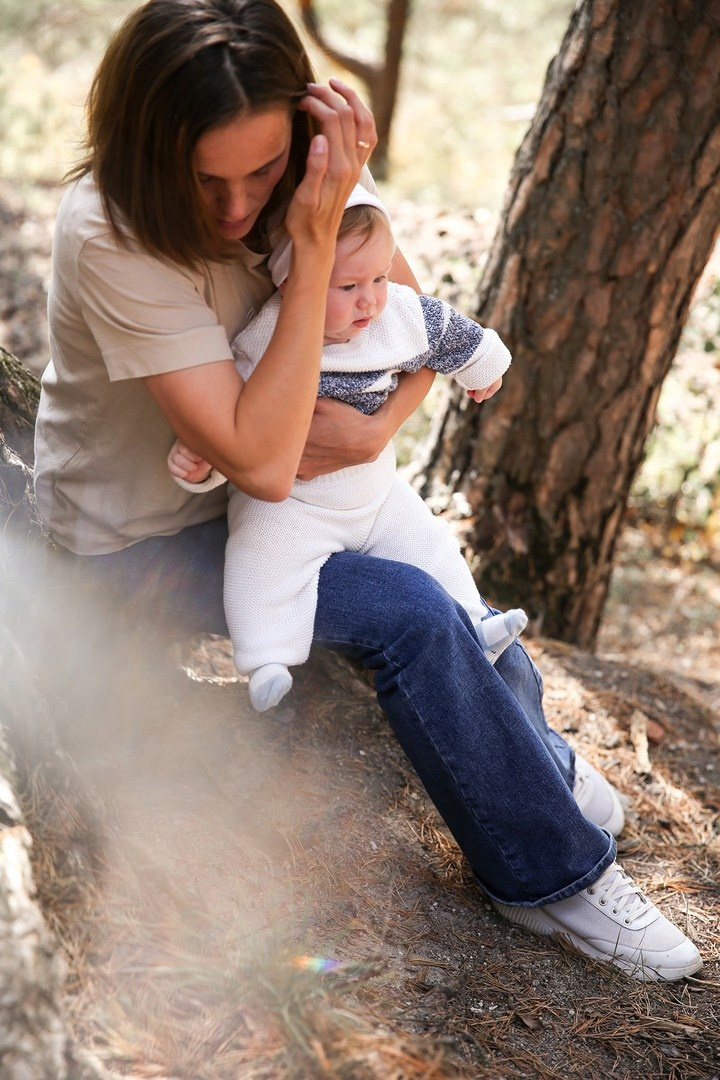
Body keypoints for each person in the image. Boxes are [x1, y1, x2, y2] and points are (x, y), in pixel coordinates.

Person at [33, 0, 702, 982]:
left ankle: (542, 769)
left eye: (261, 171)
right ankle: (553, 881)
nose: (233, 209)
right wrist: (306, 250)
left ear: (303, 132)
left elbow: (414, 325)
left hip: (274, 501)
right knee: (413, 614)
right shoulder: (110, 234)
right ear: (144, 146)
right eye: (205, 177)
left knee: (452, 584)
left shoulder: (318, 172)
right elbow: (256, 458)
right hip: (137, 544)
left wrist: (372, 430)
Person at [168, 184, 528, 711]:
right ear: (294, 284)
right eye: (349, 285)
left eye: (380, 278)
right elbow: (232, 419)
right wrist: (201, 459)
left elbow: (446, 330)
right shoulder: (264, 341)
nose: (371, 299)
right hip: (292, 503)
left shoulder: (394, 314)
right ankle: (267, 657)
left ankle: (476, 620)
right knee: (259, 560)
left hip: (375, 492)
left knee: (428, 543)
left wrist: (483, 366)